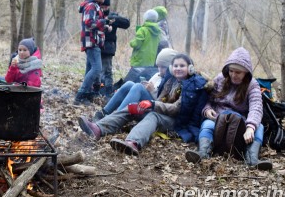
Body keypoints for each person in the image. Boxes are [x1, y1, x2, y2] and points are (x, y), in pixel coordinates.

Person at [78, 53, 208, 156]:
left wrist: (152, 104)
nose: (178, 68)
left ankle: (133, 142)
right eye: (176, 66)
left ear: (190, 68)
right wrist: (147, 104)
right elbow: (160, 100)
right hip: (163, 112)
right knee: (133, 108)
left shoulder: (192, 85)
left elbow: (176, 109)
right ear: (171, 68)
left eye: (182, 66)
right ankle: (98, 128)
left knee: (153, 116)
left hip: (177, 122)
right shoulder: (170, 81)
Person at [185, 47, 273, 170]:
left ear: (246, 72)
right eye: (231, 71)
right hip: (218, 119)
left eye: (238, 72)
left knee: (260, 127)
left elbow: (256, 108)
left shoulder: (252, 85)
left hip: (240, 123)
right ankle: (203, 153)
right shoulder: (220, 78)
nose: (233, 75)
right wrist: (207, 110)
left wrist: (250, 128)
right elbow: (209, 100)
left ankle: (252, 159)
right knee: (207, 124)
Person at [93, 48, 178, 121]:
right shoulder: (157, 75)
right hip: (146, 102)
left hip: (155, 109)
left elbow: (163, 104)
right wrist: (145, 86)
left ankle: (113, 119)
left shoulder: (172, 81)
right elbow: (144, 89)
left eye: (163, 67)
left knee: (138, 87)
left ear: (171, 67)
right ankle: (105, 112)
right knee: (129, 84)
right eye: (158, 66)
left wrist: (152, 91)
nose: (160, 69)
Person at [74, 0, 113, 105]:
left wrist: (106, 27)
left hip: (94, 41)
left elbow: (96, 25)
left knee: (90, 68)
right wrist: (105, 21)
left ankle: (87, 94)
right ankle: (80, 95)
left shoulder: (96, 6)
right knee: (97, 68)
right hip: (91, 42)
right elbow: (89, 23)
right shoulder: (91, 6)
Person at [93, 0, 130, 98]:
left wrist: (112, 19)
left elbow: (126, 23)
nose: (104, 9)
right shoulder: (95, 15)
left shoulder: (112, 17)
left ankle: (108, 91)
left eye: (106, 7)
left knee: (107, 71)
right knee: (97, 70)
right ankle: (97, 90)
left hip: (108, 48)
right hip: (96, 46)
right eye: (102, 6)